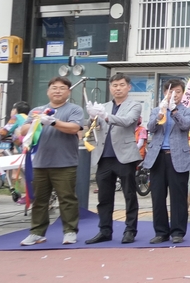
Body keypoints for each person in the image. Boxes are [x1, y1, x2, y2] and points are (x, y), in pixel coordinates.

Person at [20, 77, 86, 246]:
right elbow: (24, 129)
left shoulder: (74, 109)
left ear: (68, 92)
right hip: (40, 162)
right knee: (40, 200)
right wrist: (37, 121)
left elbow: (74, 128)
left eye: (62, 88)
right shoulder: (37, 110)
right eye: (54, 88)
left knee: (67, 198)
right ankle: (37, 232)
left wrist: (54, 122)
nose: (57, 91)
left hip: (65, 163)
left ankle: (70, 231)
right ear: (48, 91)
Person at [86, 73, 144, 245]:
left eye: (121, 85)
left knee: (129, 195)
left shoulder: (134, 105)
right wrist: (91, 118)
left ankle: (130, 230)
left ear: (129, 87)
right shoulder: (103, 106)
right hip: (103, 156)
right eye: (114, 85)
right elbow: (94, 128)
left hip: (125, 156)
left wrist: (104, 116)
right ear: (110, 88)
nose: (117, 88)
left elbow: (127, 121)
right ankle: (104, 230)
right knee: (104, 197)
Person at [142, 79, 190, 244]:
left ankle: (178, 232)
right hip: (158, 157)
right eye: (171, 92)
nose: (174, 95)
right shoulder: (157, 110)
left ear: (182, 93)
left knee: (178, 196)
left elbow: (185, 126)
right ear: (165, 93)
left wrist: (174, 111)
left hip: (177, 157)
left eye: (178, 92)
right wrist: (161, 114)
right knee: (157, 196)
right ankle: (161, 232)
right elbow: (150, 128)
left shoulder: (187, 111)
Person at [1, 101, 32, 202]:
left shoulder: (17, 117)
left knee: (27, 172)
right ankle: (31, 195)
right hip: (34, 148)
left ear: (16, 110)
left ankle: (30, 196)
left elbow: (4, 132)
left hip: (27, 149)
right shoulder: (28, 118)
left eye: (12, 109)